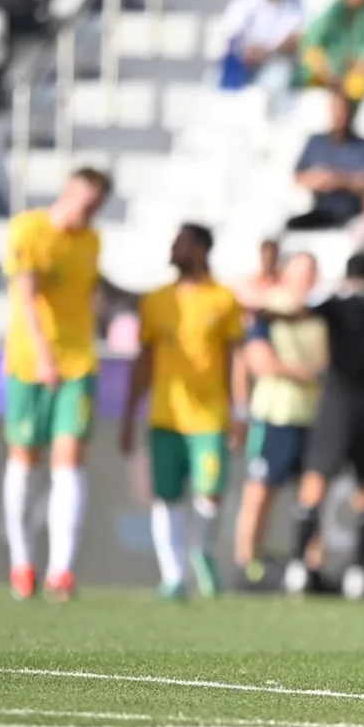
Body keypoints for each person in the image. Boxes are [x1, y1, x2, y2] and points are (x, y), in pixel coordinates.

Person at [119, 223, 247, 600]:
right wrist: (129, 412)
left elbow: (234, 359)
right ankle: (173, 575)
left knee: (210, 493)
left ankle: (201, 550)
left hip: (209, 416)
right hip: (165, 416)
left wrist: (240, 409)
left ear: (203, 250)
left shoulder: (223, 299)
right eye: (174, 241)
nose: (175, 248)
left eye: (184, 242)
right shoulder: (157, 301)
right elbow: (143, 361)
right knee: (167, 496)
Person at [270, 252, 364, 600]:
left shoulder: (336, 305)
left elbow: (300, 314)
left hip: (336, 403)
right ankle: (358, 572)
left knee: (315, 484)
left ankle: (299, 567)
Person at [3, 168, 111, 602]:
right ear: (70, 192)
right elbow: (26, 296)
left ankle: (61, 570)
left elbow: (88, 296)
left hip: (79, 363)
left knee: (69, 462)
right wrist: (44, 356)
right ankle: (21, 561)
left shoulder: (92, 241)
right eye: (86, 201)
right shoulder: (28, 229)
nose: (90, 211)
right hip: (31, 363)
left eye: (97, 205)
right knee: (25, 461)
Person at [234, 252, 326, 588]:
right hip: (275, 414)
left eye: (310, 273)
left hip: (311, 416)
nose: (305, 279)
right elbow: (261, 362)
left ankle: (309, 567)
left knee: (312, 495)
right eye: (299, 272)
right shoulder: (268, 315)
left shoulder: (318, 317)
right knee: (260, 491)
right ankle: (248, 562)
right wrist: (305, 373)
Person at [287, 88, 364, 230]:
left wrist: (338, 180)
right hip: (321, 210)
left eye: (343, 110)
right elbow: (298, 177)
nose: (339, 115)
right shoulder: (316, 142)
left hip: (351, 214)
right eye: (335, 109)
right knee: (291, 227)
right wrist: (318, 179)